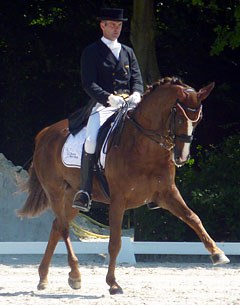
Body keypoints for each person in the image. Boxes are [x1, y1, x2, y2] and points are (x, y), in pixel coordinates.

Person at [72, 7, 144, 212]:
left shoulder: (128, 51)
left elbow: (137, 79)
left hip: (129, 104)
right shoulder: (91, 52)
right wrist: (108, 98)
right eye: (112, 24)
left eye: (119, 25)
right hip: (103, 105)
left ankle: (153, 185)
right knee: (91, 140)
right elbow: (88, 83)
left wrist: (137, 94)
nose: (116, 28)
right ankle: (85, 191)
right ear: (102, 25)